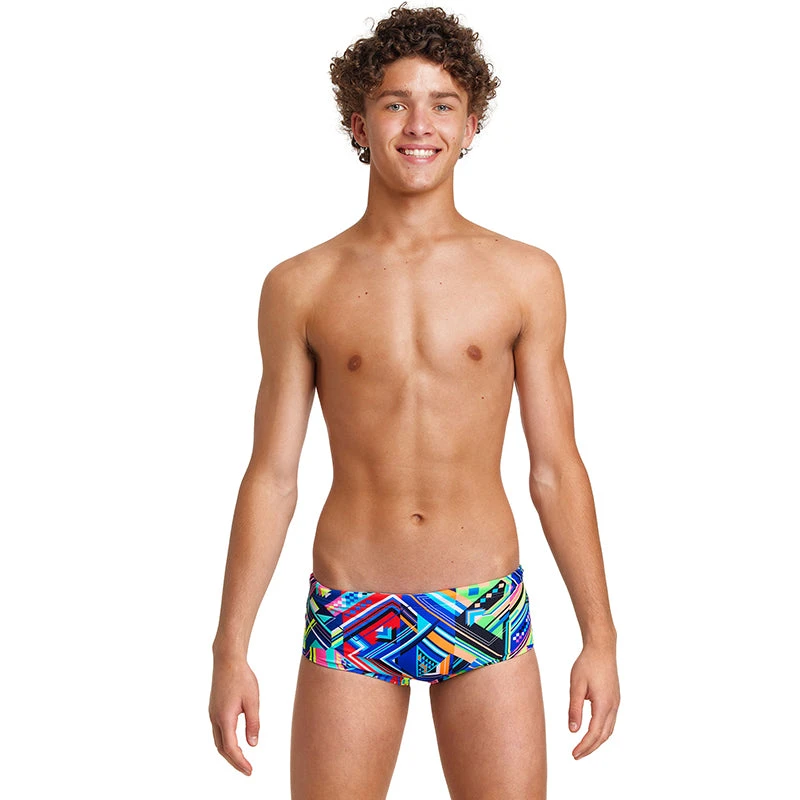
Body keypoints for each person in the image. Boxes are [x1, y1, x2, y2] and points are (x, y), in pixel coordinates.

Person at [208, 4, 620, 797]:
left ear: (471, 126)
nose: (419, 125)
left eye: (443, 105)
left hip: (484, 602)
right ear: (359, 123)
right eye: (396, 103)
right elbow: (273, 476)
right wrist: (230, 648)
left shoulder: (525, 277)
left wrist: (599, 636)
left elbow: (556, 469)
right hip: (353, 606)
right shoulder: (301, 286)